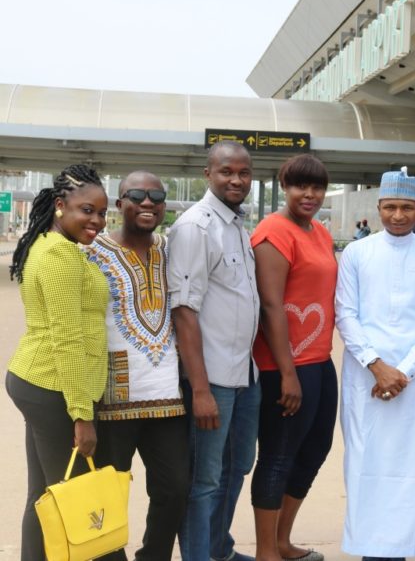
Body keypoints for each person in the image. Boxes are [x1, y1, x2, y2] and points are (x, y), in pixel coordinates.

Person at [336, 168, 415, 561]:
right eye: (390, 207)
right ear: (378, 207)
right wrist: (375, 364)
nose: (397, 215)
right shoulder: (356, 253)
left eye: (406, 208)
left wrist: (403, 372)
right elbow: (345, 314)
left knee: (409, 470)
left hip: (413, 385)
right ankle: (369, 551)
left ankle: (398, 552)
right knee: (364, 465)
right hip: (363, 379)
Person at [6, 164, 109, 561]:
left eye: (101, 213)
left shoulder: (61, 250)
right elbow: (67, 339)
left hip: (39, 380)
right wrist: (82, 416)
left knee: (45, 492)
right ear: (61, 206)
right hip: (52, 385)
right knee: (73, 497)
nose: (96, 221)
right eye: (87, 210)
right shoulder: (58, 257)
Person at [85, 171, 189, 561]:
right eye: (137, 195)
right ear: (119, 204)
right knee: (107, 493)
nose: (148, 203)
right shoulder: (91, 253)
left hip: (167, 397)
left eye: (157, 196)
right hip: (113, 397)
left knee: (174, 488)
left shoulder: (170, 249)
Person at [168, 141, 261, 561]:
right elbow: (184, 313)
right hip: (214, 380)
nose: (236, 180)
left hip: (245, 376)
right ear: (208, 174)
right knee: (204, 480)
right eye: (226, 172)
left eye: (243, 172)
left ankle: (218, 549)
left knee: (237, 468)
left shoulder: (236, 225)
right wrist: (200, 390)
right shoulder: (195, 227)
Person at [249, 154, 338, 561]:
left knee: (313, 450)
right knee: (278, 454)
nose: (310, 194)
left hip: (319, 361)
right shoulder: (273, 231)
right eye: (300, 185)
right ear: (285, 186)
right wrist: (287, 373)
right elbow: (270, 305)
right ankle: (267, 551)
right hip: (281, 367)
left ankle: (283, 541)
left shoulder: (318, 231)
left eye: (317, 187)